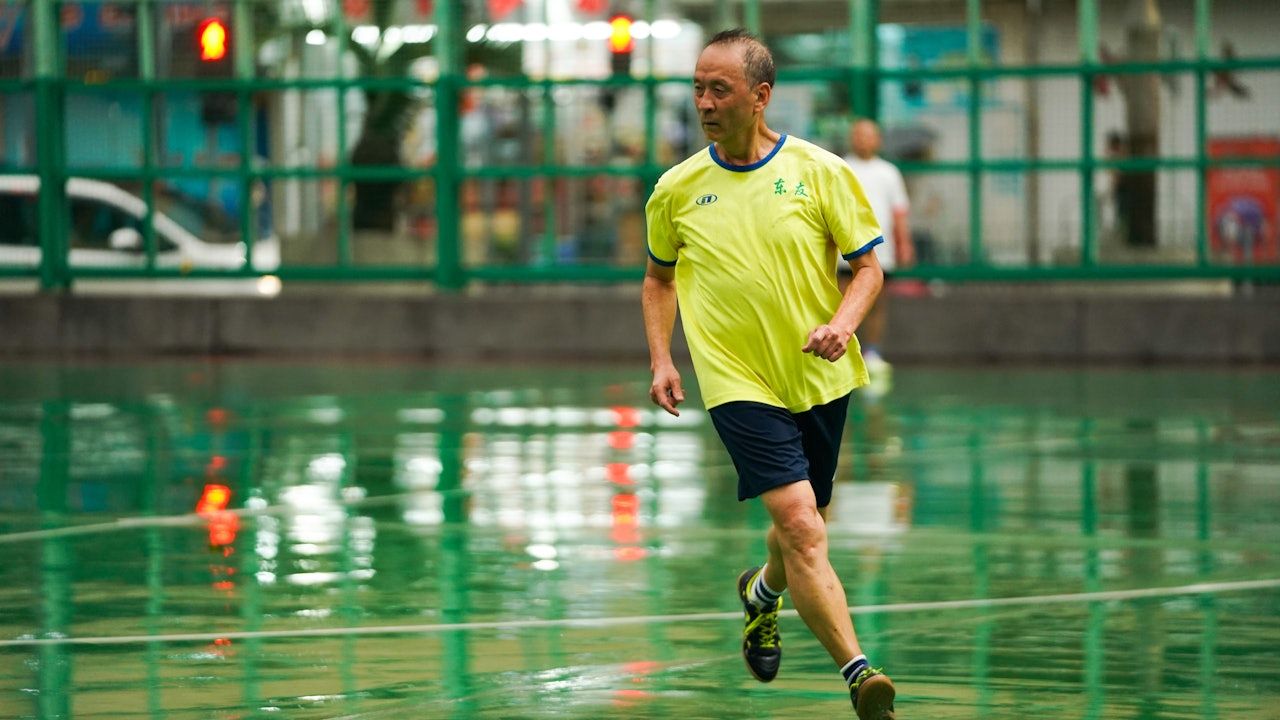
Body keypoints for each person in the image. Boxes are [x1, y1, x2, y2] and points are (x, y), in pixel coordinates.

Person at [641, 29, 897, 720]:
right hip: (736, 384)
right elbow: (658, 280)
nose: (703, 102)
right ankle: (859, 672)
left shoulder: (820, 172)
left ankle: (761, 594)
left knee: (805, 522)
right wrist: (664, 357)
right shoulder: (676, 189)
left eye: (718, 89)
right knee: (802, 525)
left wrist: (843, 325)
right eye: (697, 87)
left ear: (760, 96)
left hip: (818, 378)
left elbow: (868, 269)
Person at [841, 119, 913, 392]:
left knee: (877, 303)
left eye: (869, 135)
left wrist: (904, 243)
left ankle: (872, 351)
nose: (863, 140)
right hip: (845, 249)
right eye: (858, 135)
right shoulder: (841, 168)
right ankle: (845, 349)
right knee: (843, 298)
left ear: (877, 140)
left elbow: (899, 211)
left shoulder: (889, 172)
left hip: (881, 251)